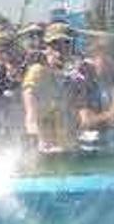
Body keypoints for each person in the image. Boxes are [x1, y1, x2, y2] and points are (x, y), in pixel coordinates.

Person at [21, 22, 80, 153]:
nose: (60, 51)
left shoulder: (72, 78)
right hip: (45, 151)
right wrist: (37, 137)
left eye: (66, 45)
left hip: (67, 149)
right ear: (46, 48)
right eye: (55, 45)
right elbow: (30, 108)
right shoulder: (37, 72)